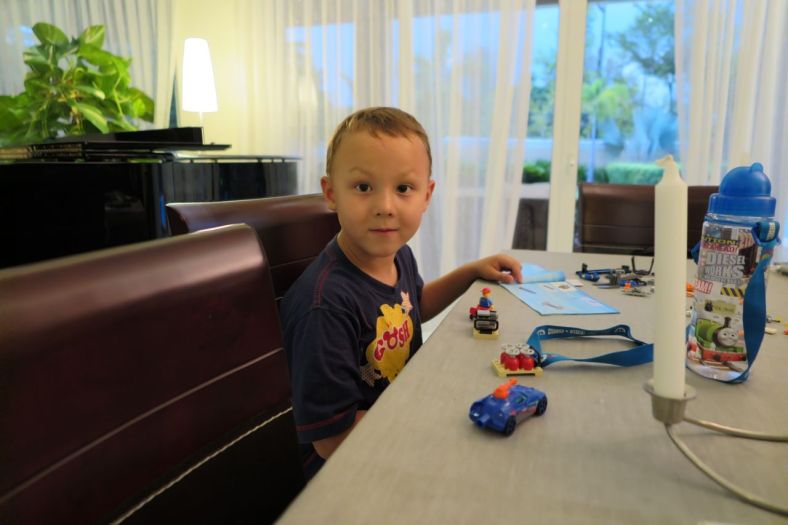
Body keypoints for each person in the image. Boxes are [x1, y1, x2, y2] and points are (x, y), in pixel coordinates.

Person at [281, 107, 522, 478]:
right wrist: (426, 416)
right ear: (331, 193)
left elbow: (416, 305)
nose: (385, 207)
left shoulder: (398, 255)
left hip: (398, 425)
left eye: (404, 189)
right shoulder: (324, 306)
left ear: (427, 195)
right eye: (363, 187)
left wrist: (471, 272)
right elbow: (330, 440)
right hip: (349, 468)